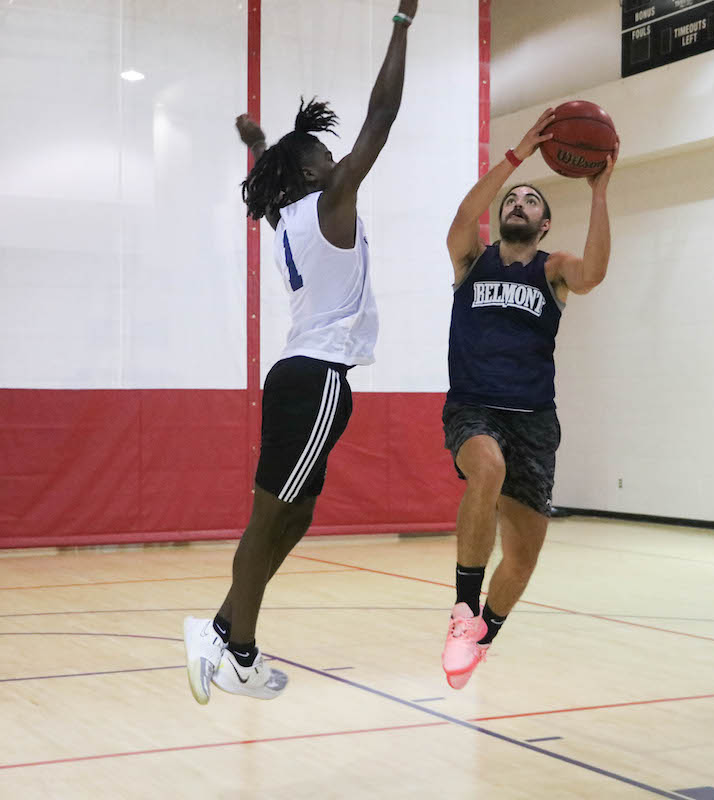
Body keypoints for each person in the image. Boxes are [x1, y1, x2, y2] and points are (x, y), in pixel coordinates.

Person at [183, 0, 419, 704]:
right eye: (323, 154)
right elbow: (382, 117)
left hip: (307, 376)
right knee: (270, 514)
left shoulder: (288, 216)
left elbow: (272, 178)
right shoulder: (330, 199)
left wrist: (259, 143)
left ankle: (228, 627)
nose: (334, 155)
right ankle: (235, 647)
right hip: (315, 376)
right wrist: (402, 24)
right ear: (316, 174)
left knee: (297, 511)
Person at [440, 108, 618, 689]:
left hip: (535, 422)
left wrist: (599, 194)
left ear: (544, 226)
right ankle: (464, 610)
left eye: (531, 201)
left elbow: (593, 272)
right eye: (512, 200)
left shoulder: (553, 271)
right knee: (484, 468)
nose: (518, 203)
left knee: (522, 559)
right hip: (474, 408)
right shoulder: (472, 260)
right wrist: (517, 157)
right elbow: (465, 215)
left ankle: (485, 632)